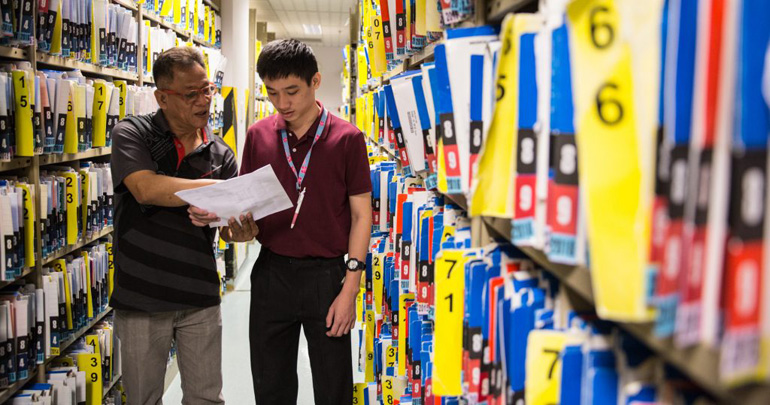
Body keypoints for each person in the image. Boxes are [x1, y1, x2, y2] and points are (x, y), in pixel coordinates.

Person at [190, 39, 373, 405]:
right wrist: (235, 228)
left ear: (315, 81)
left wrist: (351, 288)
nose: (282, 104)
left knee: (333, 386)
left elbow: (361, 214)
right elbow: (244, 210)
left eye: (292, 91)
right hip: (272, 274)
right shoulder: (259, 135)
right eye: (272, 93)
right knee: (271, 385)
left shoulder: (347, 139)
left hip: (327, 277)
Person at [110, 46, 251, 405]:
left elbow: (228, 230)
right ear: (162, 97)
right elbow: (146, 188)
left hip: (199, 296)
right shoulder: (133, 133)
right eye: (192, 94)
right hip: (142, 297)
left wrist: (242, 229)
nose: (204, 100)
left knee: (206, 398)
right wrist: (218, 191)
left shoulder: (221, 153)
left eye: (208, 90)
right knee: (144, 398)